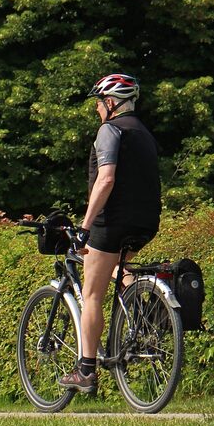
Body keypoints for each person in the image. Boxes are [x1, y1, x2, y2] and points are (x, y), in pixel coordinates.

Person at [58, 73, 162, 393]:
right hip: (147, 221)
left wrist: (85, 227)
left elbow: (106, 180)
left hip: (112, 222)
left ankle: (86, 370)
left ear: (111, 103)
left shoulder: (109, 129)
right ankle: (142, 308)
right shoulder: (144, 133)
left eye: (99, 103)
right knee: (118, 267)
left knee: (92, 294)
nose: (97, 110)